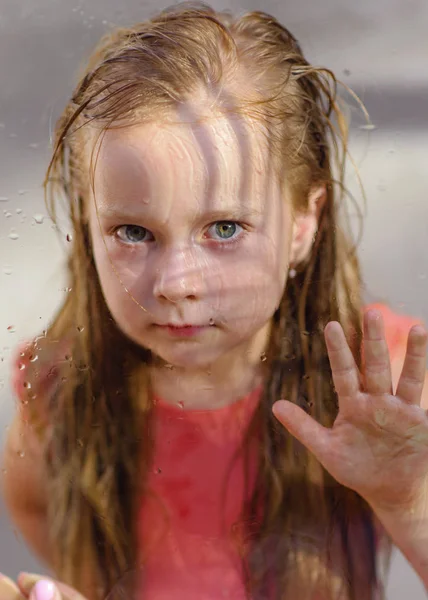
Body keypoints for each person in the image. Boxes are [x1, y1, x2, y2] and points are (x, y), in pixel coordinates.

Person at [1, 3, 428, 599]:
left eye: (224, 228)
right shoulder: (62, 391)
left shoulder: (387, 383)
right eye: (133, 232)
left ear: (305, 220)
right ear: (86, 221)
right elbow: (34, 505)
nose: (175, 283)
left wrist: (409, 500)